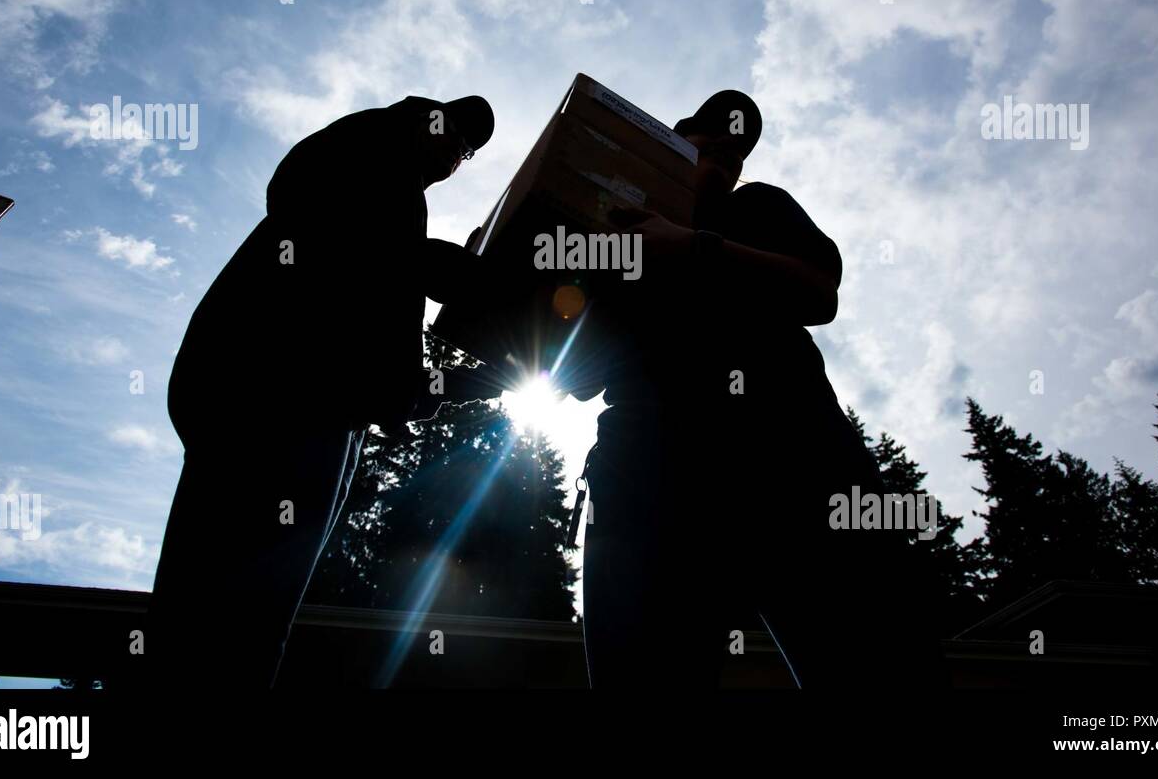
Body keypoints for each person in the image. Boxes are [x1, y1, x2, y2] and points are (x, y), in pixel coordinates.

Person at [567, 89, 944, 690]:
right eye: (704, 133)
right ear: (666, 142)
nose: (726, 146)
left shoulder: (756, 206)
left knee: (876, 668)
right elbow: (574, 377)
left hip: (793, 460)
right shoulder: (611, 239)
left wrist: (694, 247)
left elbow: (818, 293)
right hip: (647, 474)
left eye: (737, 147)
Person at [143, 94, 503, 690]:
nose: (453, 154)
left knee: (246, 620)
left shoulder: (396, 201)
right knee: (229, 622)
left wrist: (461, 382)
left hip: (309, 410)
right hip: (268, 403)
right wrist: (435, 267)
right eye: (449, 132)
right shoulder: (363, 159)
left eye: (466, 151)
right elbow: (328, 232)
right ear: (419, 117)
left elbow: (384, 373)